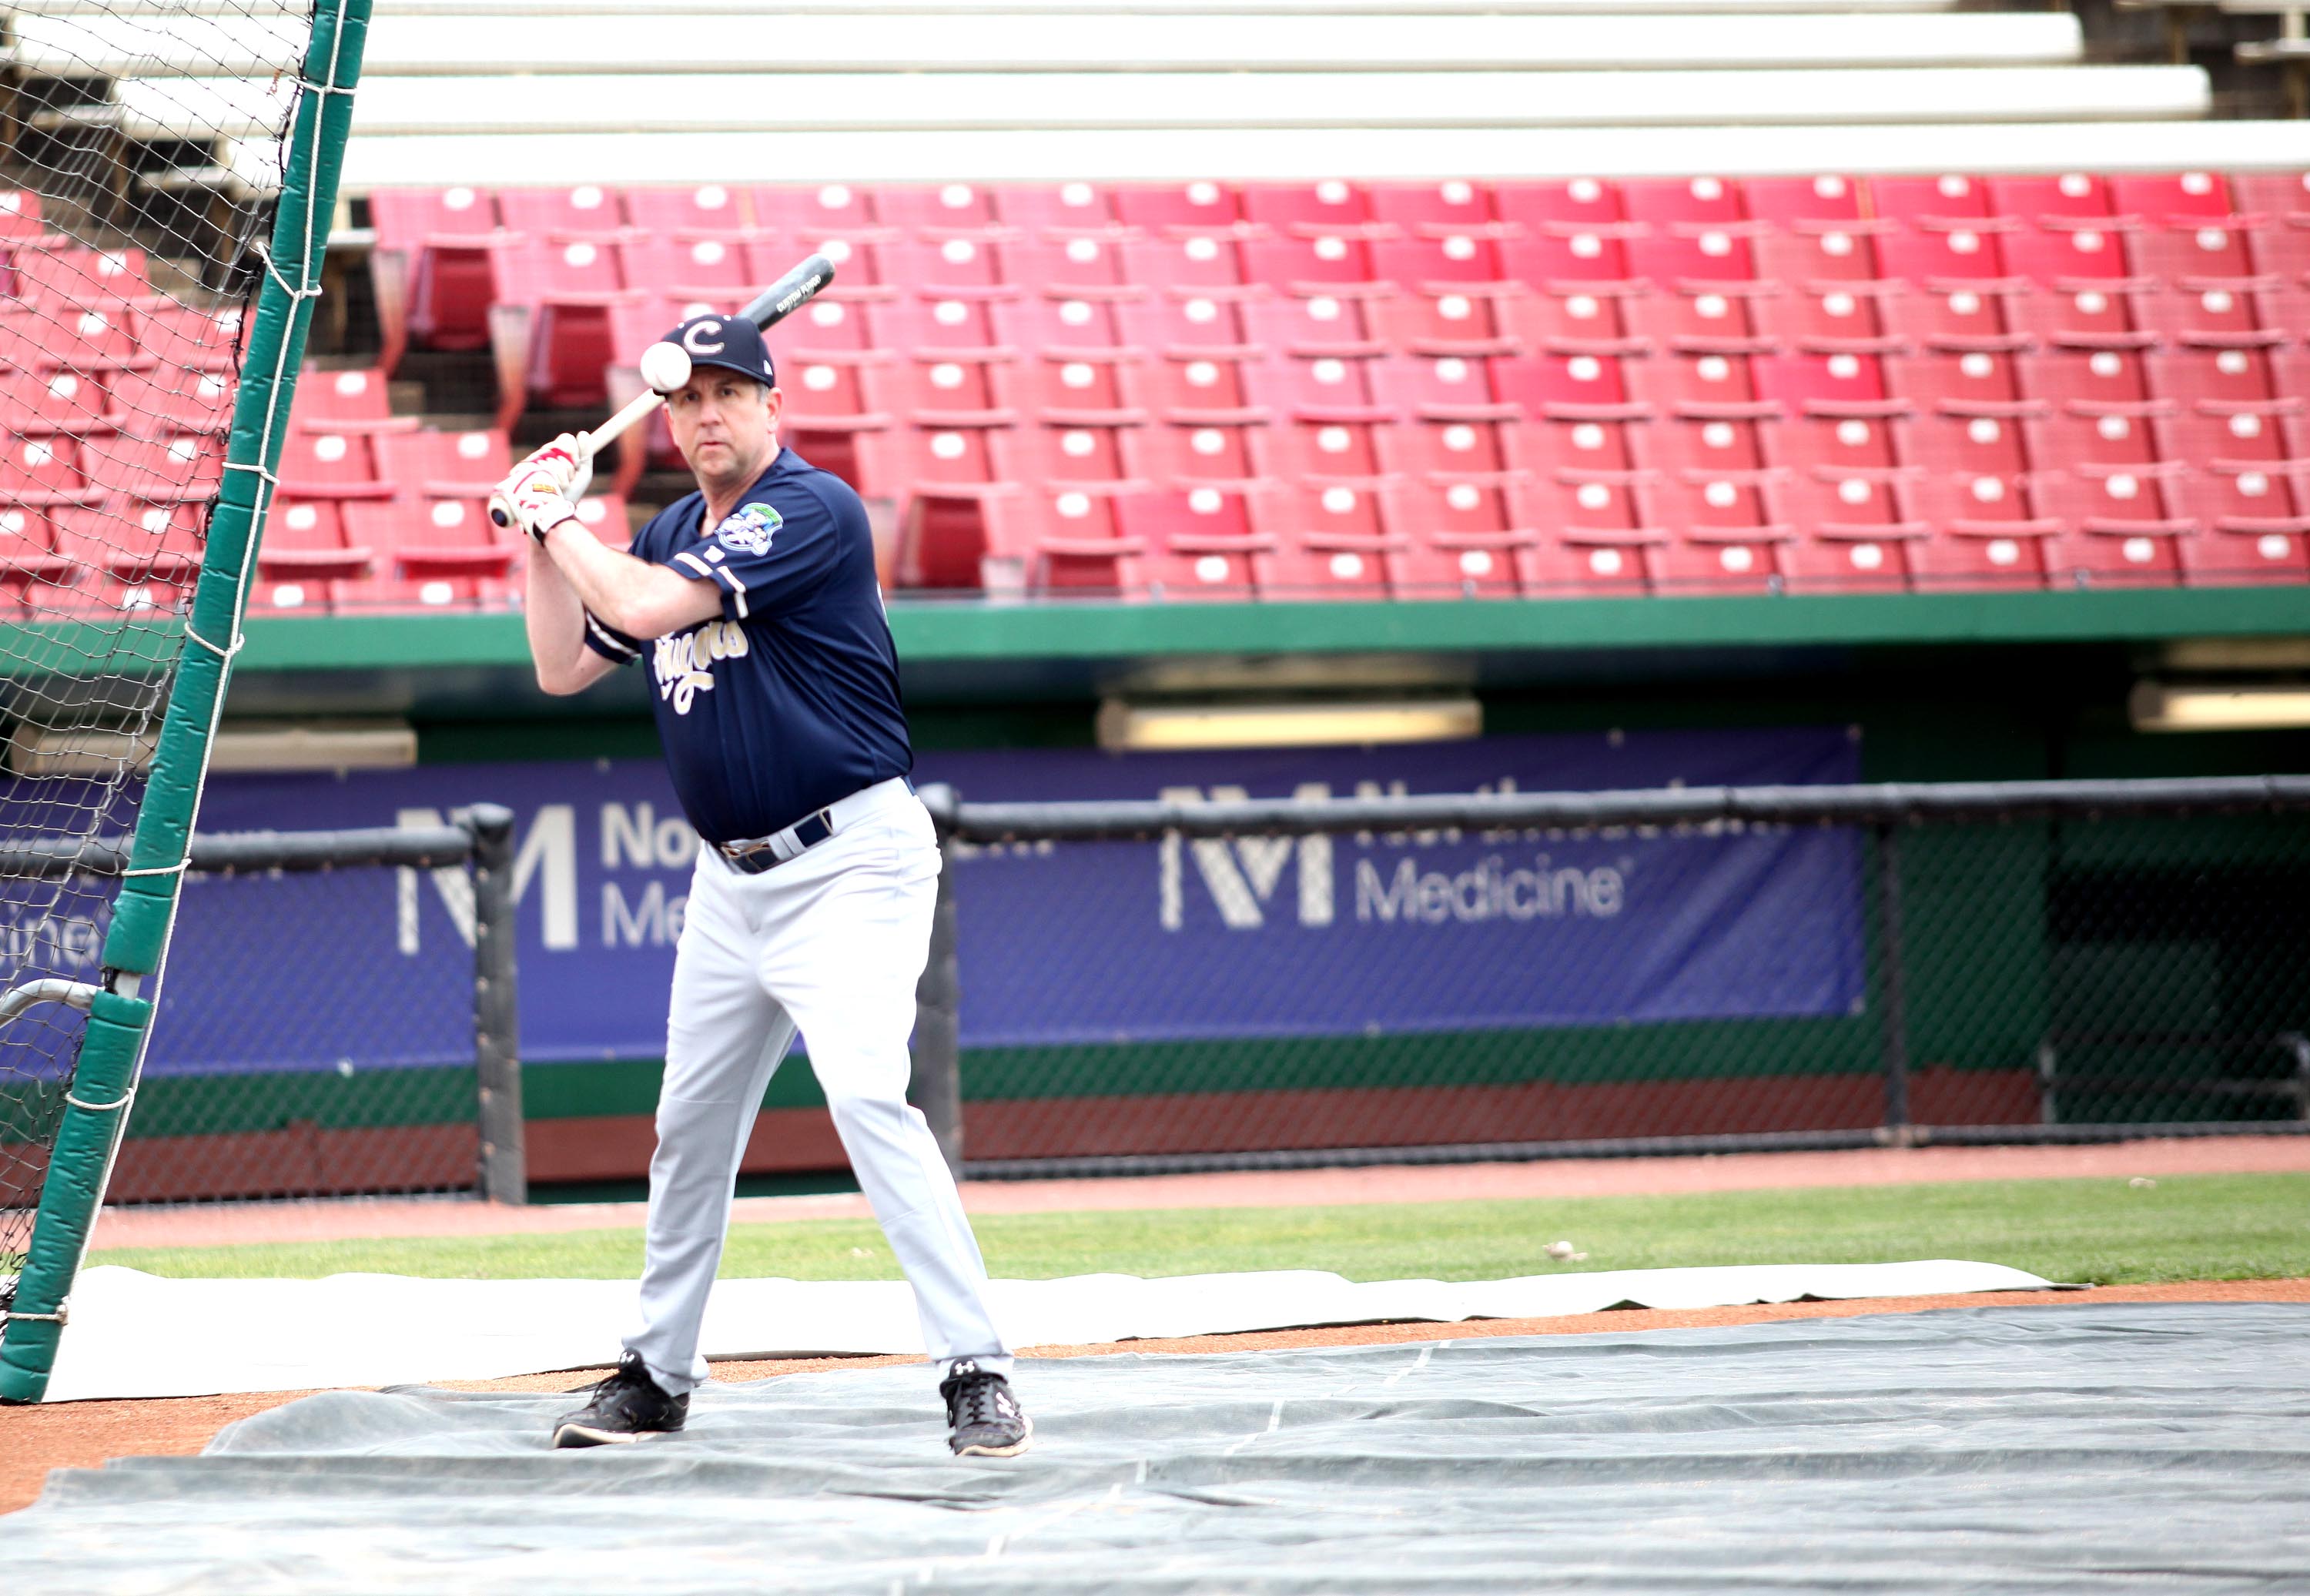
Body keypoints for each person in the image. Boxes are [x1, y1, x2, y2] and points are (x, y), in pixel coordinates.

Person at [501, 311, 1029, 1458]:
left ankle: (975, 1364)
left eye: (728, 393)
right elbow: (560, 665)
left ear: (772, 407)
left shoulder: (811, 509)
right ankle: (657, 1375)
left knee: (865, 1098)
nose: (705, 416)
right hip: (729, 885)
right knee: (688, 1128)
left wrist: (559, 515)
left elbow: (641, 607)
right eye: (687, 399)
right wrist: (536, 542)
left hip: (848, 861)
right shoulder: (673, 524)